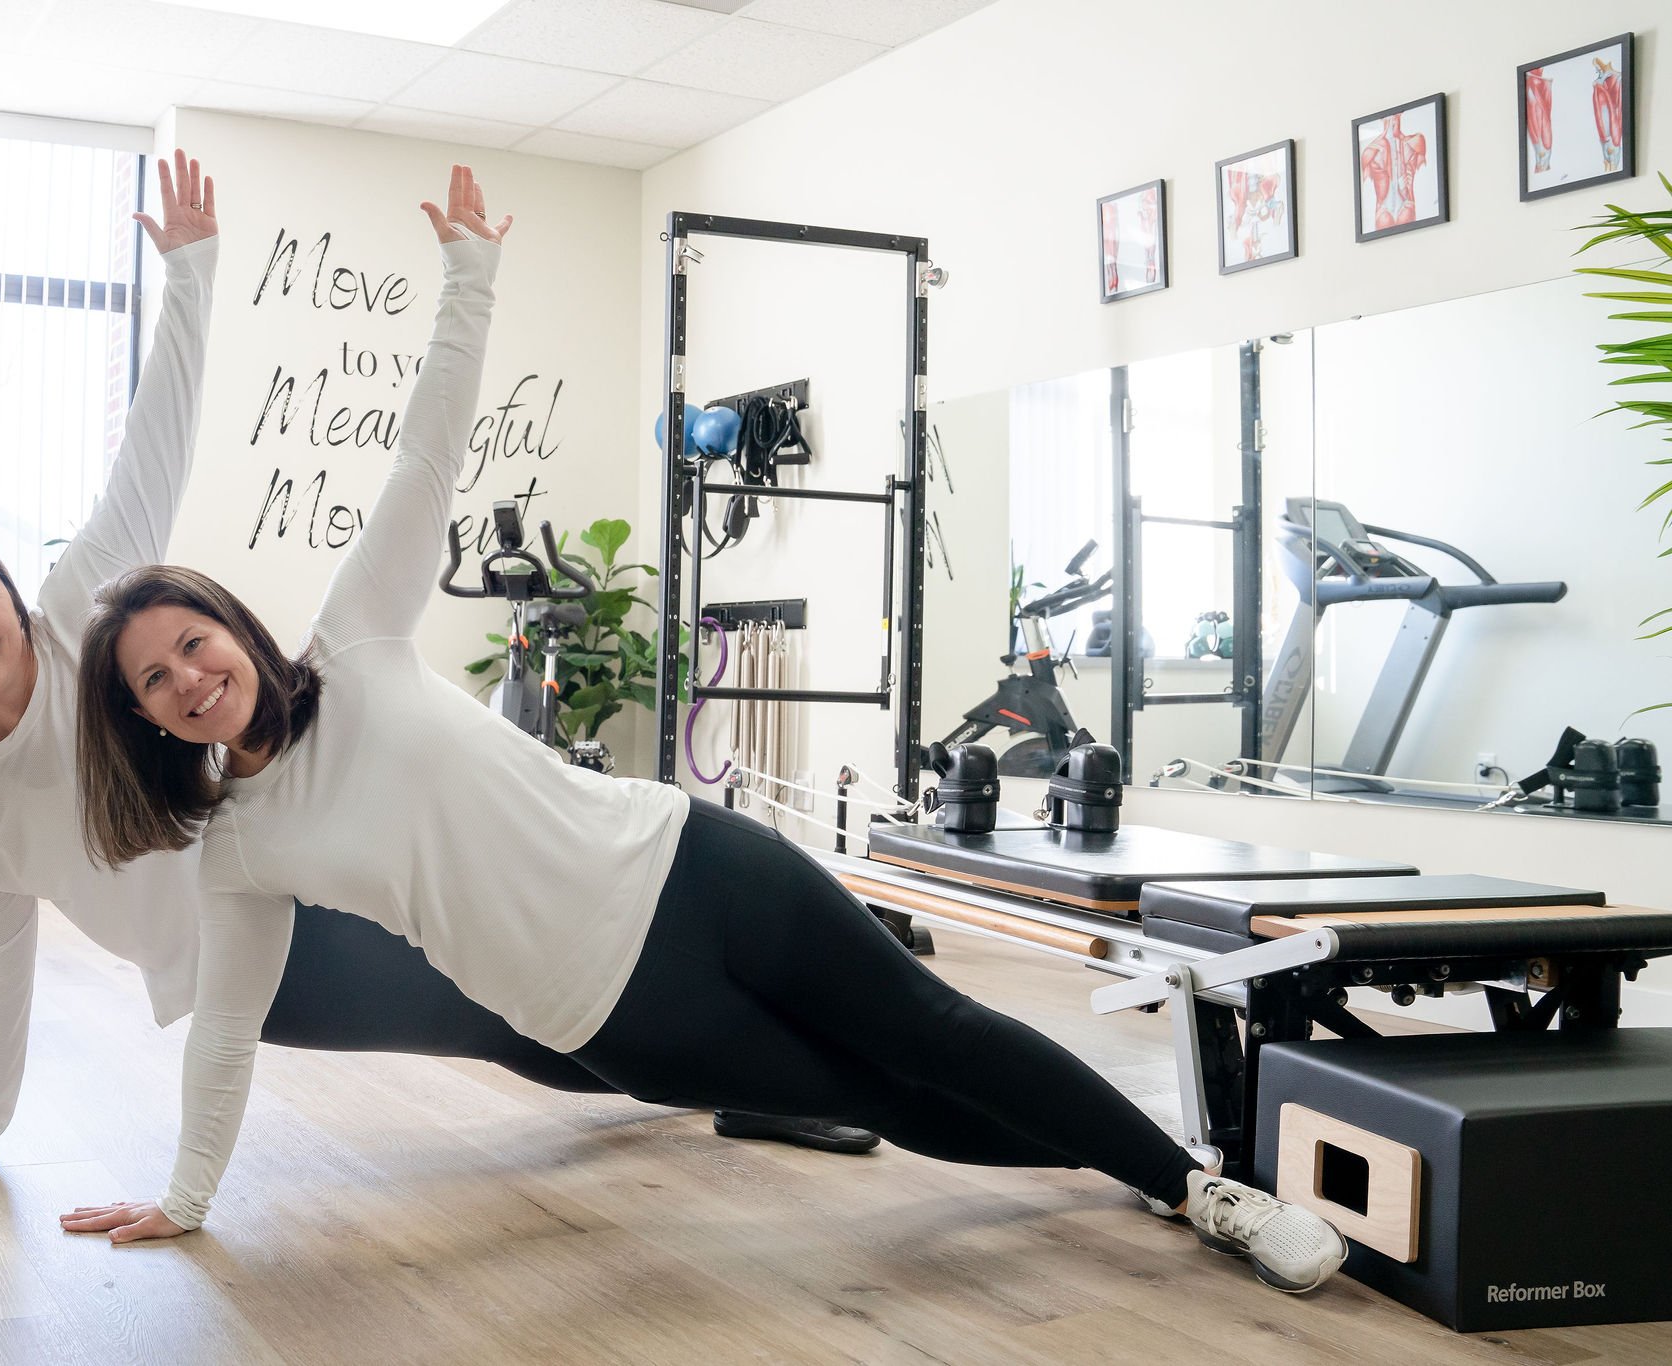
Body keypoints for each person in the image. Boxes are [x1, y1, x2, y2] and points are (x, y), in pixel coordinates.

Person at [70, 166, 1349, 1295]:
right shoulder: (236, 849)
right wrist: (184, 1202)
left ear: (230, 626)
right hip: (612, 1008)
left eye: (192, 640)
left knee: (933, 1030)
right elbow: (226, 1032)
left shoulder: (354, 641)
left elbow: (426, 453)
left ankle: (1192, 1189)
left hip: (689, 860)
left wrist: (472, 274)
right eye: (152, 679)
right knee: (882, 1095)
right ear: (138, 718)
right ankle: (1125, 1160)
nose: (187, 676)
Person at [0, 152, 863, 1208]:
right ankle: (744, 1077)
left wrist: (191, 275)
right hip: (267, 960)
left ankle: (771, 1063)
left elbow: (151, 451)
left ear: (13, 598)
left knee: (534, 998)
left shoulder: (76, 624)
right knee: (508, 1026)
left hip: (314, 848)